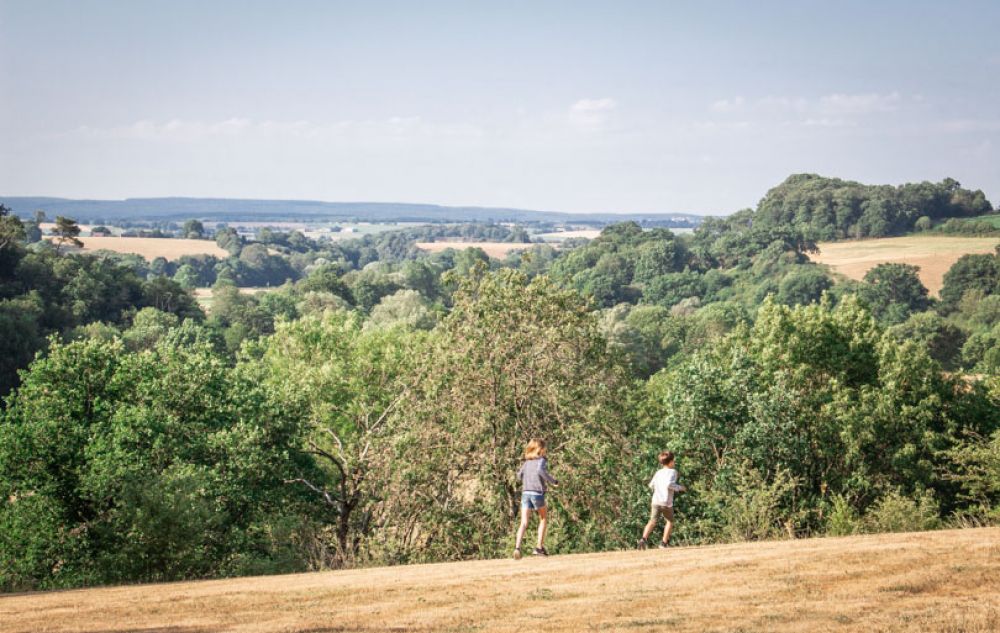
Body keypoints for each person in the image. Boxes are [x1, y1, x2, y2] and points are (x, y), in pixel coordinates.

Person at [513, 438, 558, 559]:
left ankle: (517, 548)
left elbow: (519, 475)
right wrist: (553, 481)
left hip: (525, 493)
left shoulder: (527, 462)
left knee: (524, 522)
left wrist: (528, 480)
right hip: (537, 493)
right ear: (540, 449)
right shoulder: (541, 460)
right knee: (543, 518)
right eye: (544, 449)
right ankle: (539, 548)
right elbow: (540, 470)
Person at [638, 450, 686, 550]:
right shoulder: (673, 472)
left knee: (652, 521)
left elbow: (651, 485)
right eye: (673, 460)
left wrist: (659, 488)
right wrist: (680, 488)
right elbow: (669, 484)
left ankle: (643, 539)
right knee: (670, 521)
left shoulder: (658, 472)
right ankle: (663, 543)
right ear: (671, 461)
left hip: (655, 500)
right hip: (666, 502)